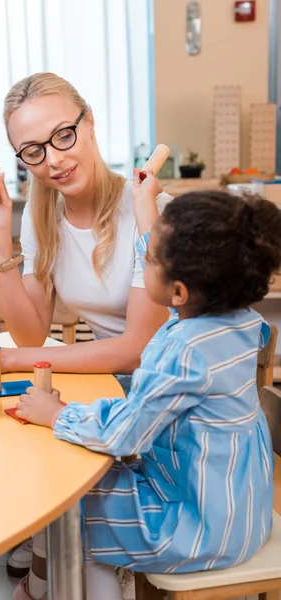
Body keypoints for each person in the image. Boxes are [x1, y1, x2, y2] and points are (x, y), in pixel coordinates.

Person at [15, 180, 281, 600]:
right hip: (242, 508)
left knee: (74, 511)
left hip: (200, 528)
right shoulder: (243, 321)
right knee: (90, 486)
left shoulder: (181, 352)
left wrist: (57, 414)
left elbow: (124, 435)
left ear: (178, 291)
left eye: (149, 258)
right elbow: (164, 263)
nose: (141, 259)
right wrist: (145, 209)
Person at [0, 72, 170, 595]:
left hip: (161, 387)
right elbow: (30, 329)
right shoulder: (43, 214)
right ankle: (46, 553)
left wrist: (9, 359)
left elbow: (139, 349)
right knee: (18, 419)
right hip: (109, 377)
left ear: (90, 122)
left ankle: (53, 560)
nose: (53, 159)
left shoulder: (146, 209)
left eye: (63, 135)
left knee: (46, 422)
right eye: (32, 151)